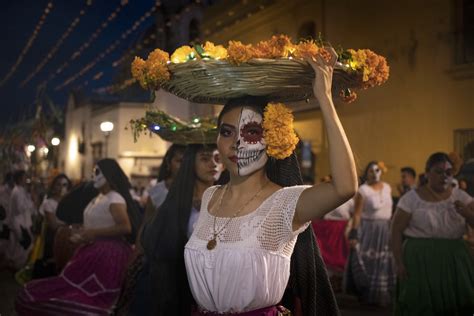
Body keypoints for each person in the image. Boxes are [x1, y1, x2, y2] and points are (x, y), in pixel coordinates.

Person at [184, 48, 358, 315]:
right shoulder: (211, 196)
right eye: (226, 132)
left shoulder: (285, 204)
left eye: (251, 132)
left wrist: (324, 98)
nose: (236, 143)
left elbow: (345, 187)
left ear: (274, 140)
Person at [16, 159, 142, 315]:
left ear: (108, 175)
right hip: (90, 249)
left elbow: (125, 227)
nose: (93, 176)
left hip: (109, 254)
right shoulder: (99, 198)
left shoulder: (115, 198)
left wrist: (93, 233)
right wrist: (82, 233)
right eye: (93, 171)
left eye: (97, 172)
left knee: (83, 294)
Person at [115, 144, 218, 315]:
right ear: (190, 163)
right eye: (205, 159)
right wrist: (137, 256)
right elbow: (153, 233)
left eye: (217, 159)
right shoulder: (175, 202)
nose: (213, 165)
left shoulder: (227, 199)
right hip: (179, 281)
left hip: (215, 280)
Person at [391, 152, 474, 315]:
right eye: (438, 172)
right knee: (420, 303)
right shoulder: (411, 199)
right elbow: (395, 231)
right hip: (419, 259)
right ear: (427, 172)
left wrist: (468, 214)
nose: (444, 177)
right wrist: (399, 262)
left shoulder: (462, 198)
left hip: (454, 259)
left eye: (449, 173)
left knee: (456, 303)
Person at [345, 161, 395, 306]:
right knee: (369, 261)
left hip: (385, 229)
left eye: (377, 170)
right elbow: (357, 214)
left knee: (383, 262)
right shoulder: (363, 190)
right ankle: (367, 295)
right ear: (366, 174)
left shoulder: (387, 188)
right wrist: (354, 233)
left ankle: (383, 295)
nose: (374, 173)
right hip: (368, 230)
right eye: (371, 171)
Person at [7, 170, 36, 270]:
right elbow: (20, 208)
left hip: (23, 222)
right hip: (19, 223)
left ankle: (17, 265)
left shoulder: (21, 190)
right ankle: (17, 266)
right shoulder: (17, 191)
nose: (26, 179)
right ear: (20, 178)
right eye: (24, 177)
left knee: (21, 246)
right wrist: (30, 203)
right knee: (24, 245)